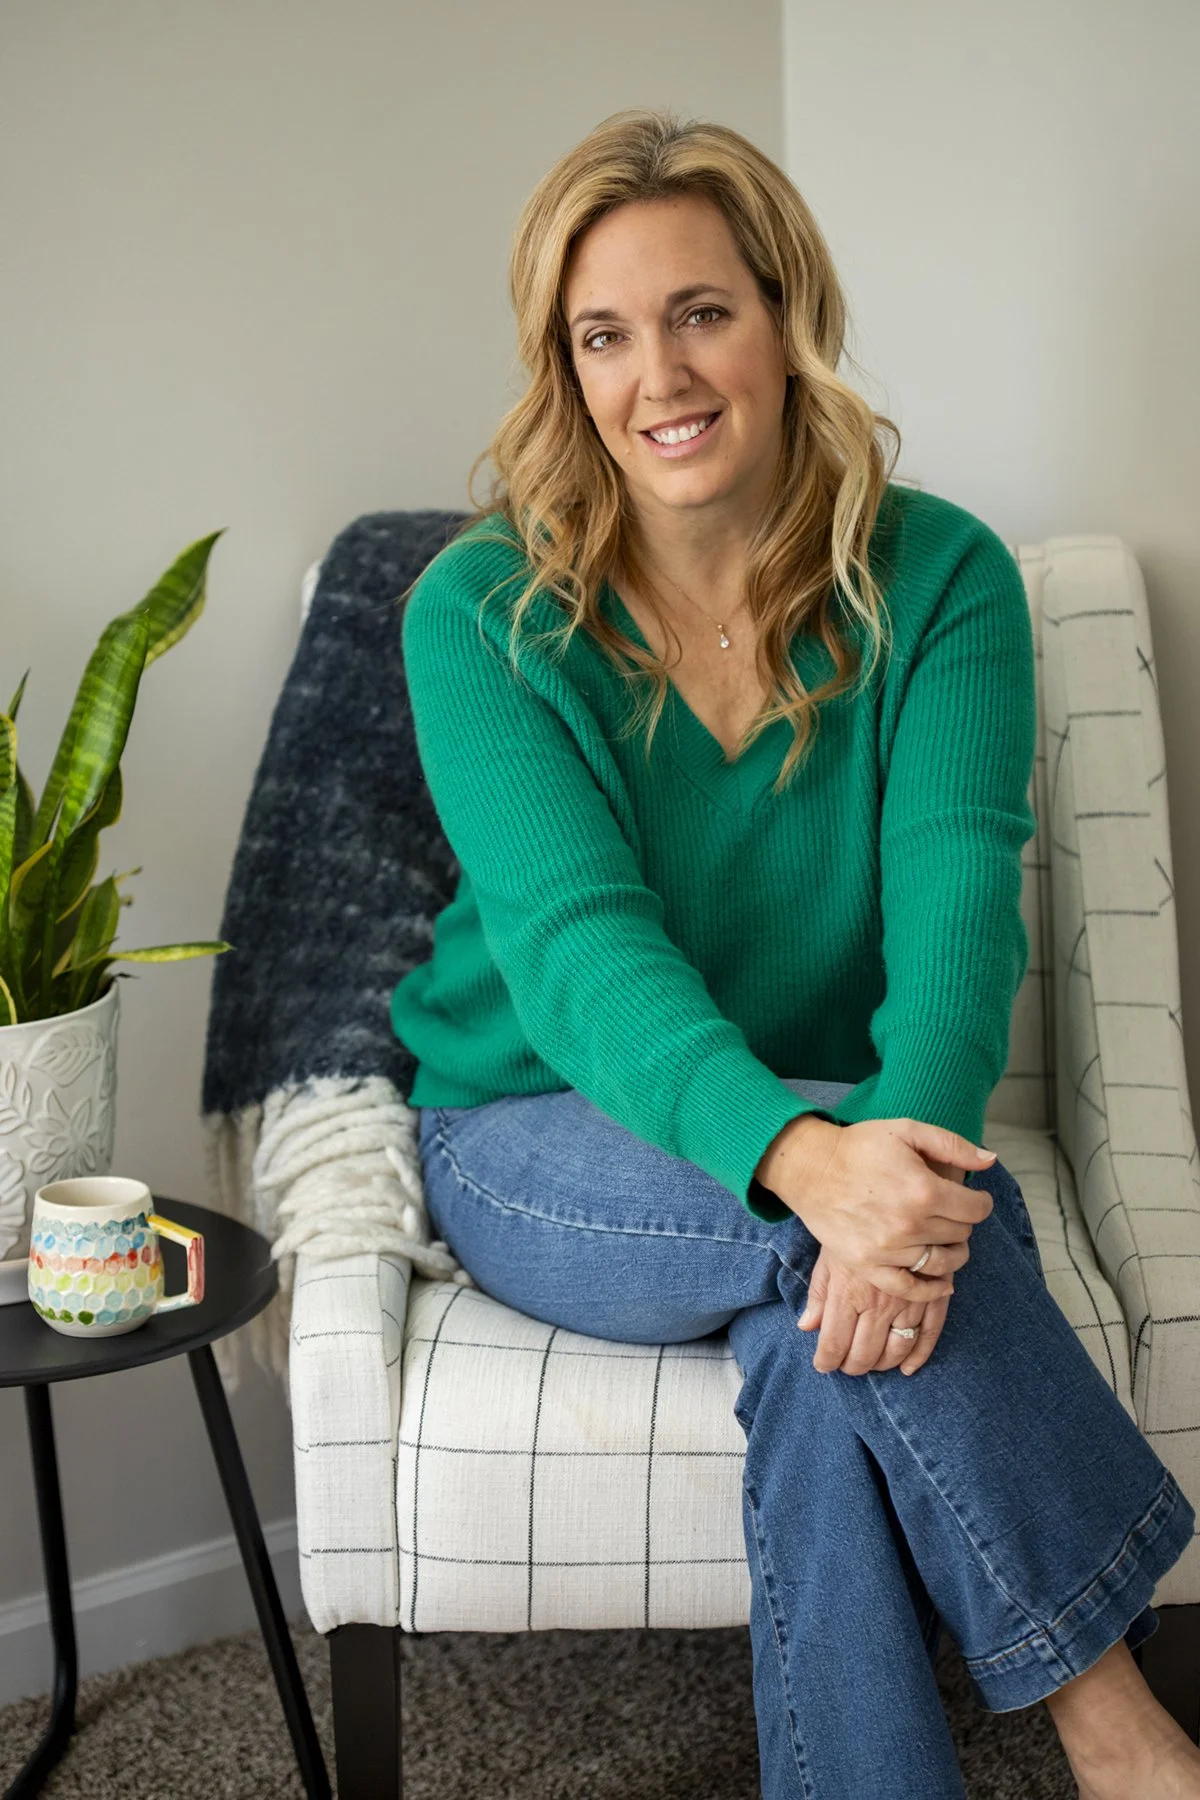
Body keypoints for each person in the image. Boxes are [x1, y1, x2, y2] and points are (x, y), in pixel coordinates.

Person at [390, 107, 1199, 1798]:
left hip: (834, 1114)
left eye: (702, 311)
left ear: (785, 316)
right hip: (539, 1130)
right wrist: (811, 1163)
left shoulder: (946, 576)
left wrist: (876, 1162)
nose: (658, 374)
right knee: (914, 1238)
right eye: (602, 334)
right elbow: (578, 950)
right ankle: (1117, 1728)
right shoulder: (480, 611)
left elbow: (962, 916)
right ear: (563, 367)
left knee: (831, 1348)